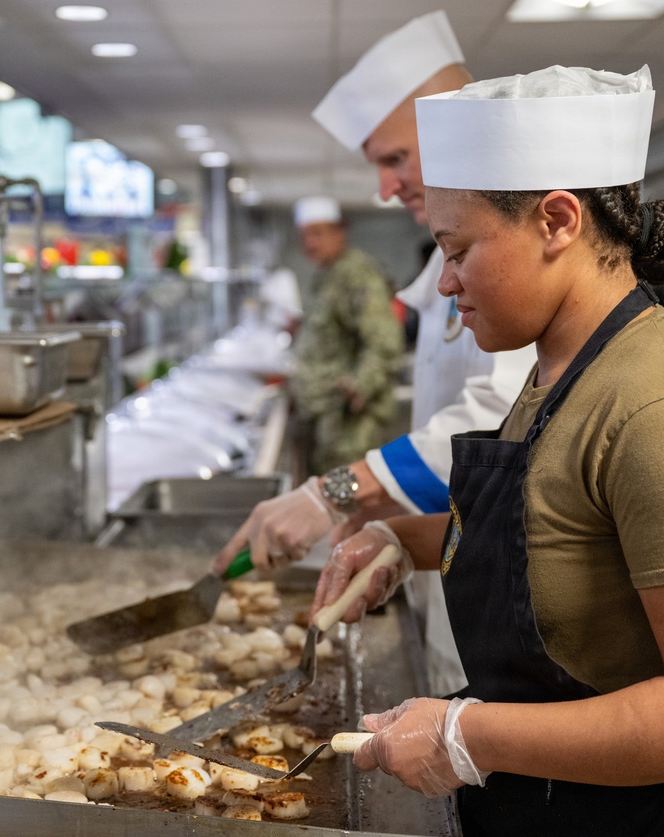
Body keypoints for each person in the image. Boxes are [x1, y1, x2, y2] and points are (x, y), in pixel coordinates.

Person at [311, 64, 664, 835]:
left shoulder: (661, 408)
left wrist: (466, 735)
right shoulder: (560, 367)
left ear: (557, 221)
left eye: (458, 248)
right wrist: (400, 541)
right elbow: (555, 532)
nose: (442, 282)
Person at [215, 11, 535, 695]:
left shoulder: (523, 264)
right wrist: (385, 520)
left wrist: (334, 492)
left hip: (515, 604)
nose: (387, 189)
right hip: (462, 567)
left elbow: (501, 415)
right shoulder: (446, 275)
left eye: (396, 158)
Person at [289, 195, 403, 474]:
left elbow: (384, 340)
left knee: (348, 499)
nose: (310, 243)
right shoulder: (329, 274)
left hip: (349, 420)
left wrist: (360, 386)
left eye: (318, 234)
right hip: (326, 411)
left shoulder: (357, 274)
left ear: (340, 231)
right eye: (305, 236)